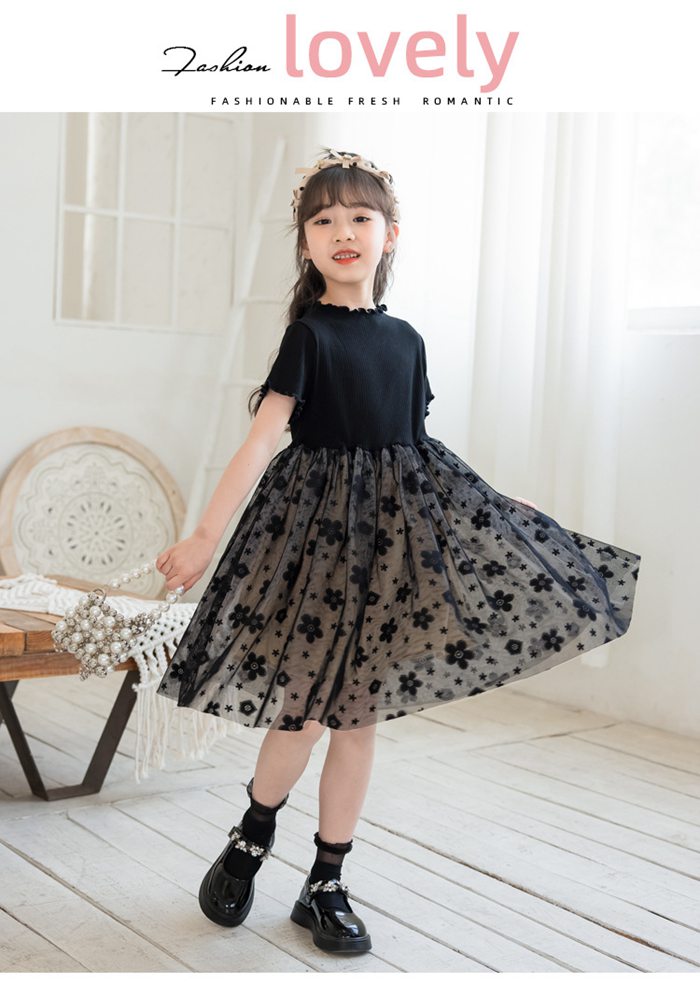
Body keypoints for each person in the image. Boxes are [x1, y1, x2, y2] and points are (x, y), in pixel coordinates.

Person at [155, 147, 642, 955]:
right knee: (305, 711)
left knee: (358, 718)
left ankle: (326, 880)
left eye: (360, 217)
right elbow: (262, 439)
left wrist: (494, 502)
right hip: (315, 545)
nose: (343, 232)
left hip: (388, 550)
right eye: (323, 220)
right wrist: (206, 534)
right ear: (305, 243)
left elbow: (416, 447)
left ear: (390, 234)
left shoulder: (407, 340)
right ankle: (251, 834)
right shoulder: (308, 337)